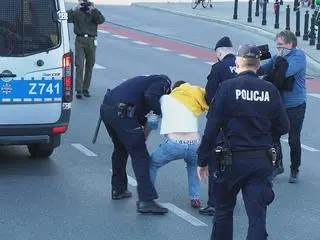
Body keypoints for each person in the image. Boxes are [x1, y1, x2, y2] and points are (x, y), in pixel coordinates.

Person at [197, 45, 290, 240]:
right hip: (260, 160)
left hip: (230, 160)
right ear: (258, 65)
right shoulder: (270, 89)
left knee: (223, 212)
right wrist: (264, 135)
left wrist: (202, 160)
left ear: (238, 63)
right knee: (257, 217)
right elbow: (283, 126)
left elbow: (212, 126)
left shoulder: (227, 88)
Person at [100, 75, 171, 214]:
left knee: (120, 148)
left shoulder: (140, 84)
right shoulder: (163, 82)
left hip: (107, 110)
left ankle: (118, 189)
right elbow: (151, 97)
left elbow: (145, 120)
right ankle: (146, 201)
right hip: (122, 112)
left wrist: (142, 136)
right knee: (141, 156)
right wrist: (160, 112)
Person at [149, 81, 209, 209]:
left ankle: (148, 195)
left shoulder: (165, 99)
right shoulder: (194, 100)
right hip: (195, 144)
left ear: (173, 90)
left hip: (174, 144)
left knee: (152, 163)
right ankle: (195, 197)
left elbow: (152, 121)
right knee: (193, 167)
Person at [258, 30, 307, 183]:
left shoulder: (298, 57)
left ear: (290, 44)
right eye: (277, 44)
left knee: (293, 139)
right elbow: (266, 67)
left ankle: (295, 168)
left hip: (295, 105)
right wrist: (251, 70)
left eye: (280, 44)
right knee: (273, 136)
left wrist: (271, 69)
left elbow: (284, 72)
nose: (277, 47)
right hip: (278, 105)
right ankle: (277, 165)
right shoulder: (279, 57)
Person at [200, 36, 237, 216]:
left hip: (221, 123)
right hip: (242, 123)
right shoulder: (243, 65)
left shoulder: (219, 68)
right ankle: (230, 199)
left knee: (217, 161)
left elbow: (209, 95)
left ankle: (214, 203)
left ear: (219, 53)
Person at [67, 0, 105, 99]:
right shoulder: (76, 12)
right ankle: (79, 90)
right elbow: (66, 18)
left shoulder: (93, 12)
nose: (84, 5)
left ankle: (85, 88)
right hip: (80, 39)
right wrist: (74, 8)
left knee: (90, 65)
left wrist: (93, 10)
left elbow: (101, 20)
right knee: (79, 65)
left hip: (91, 40)